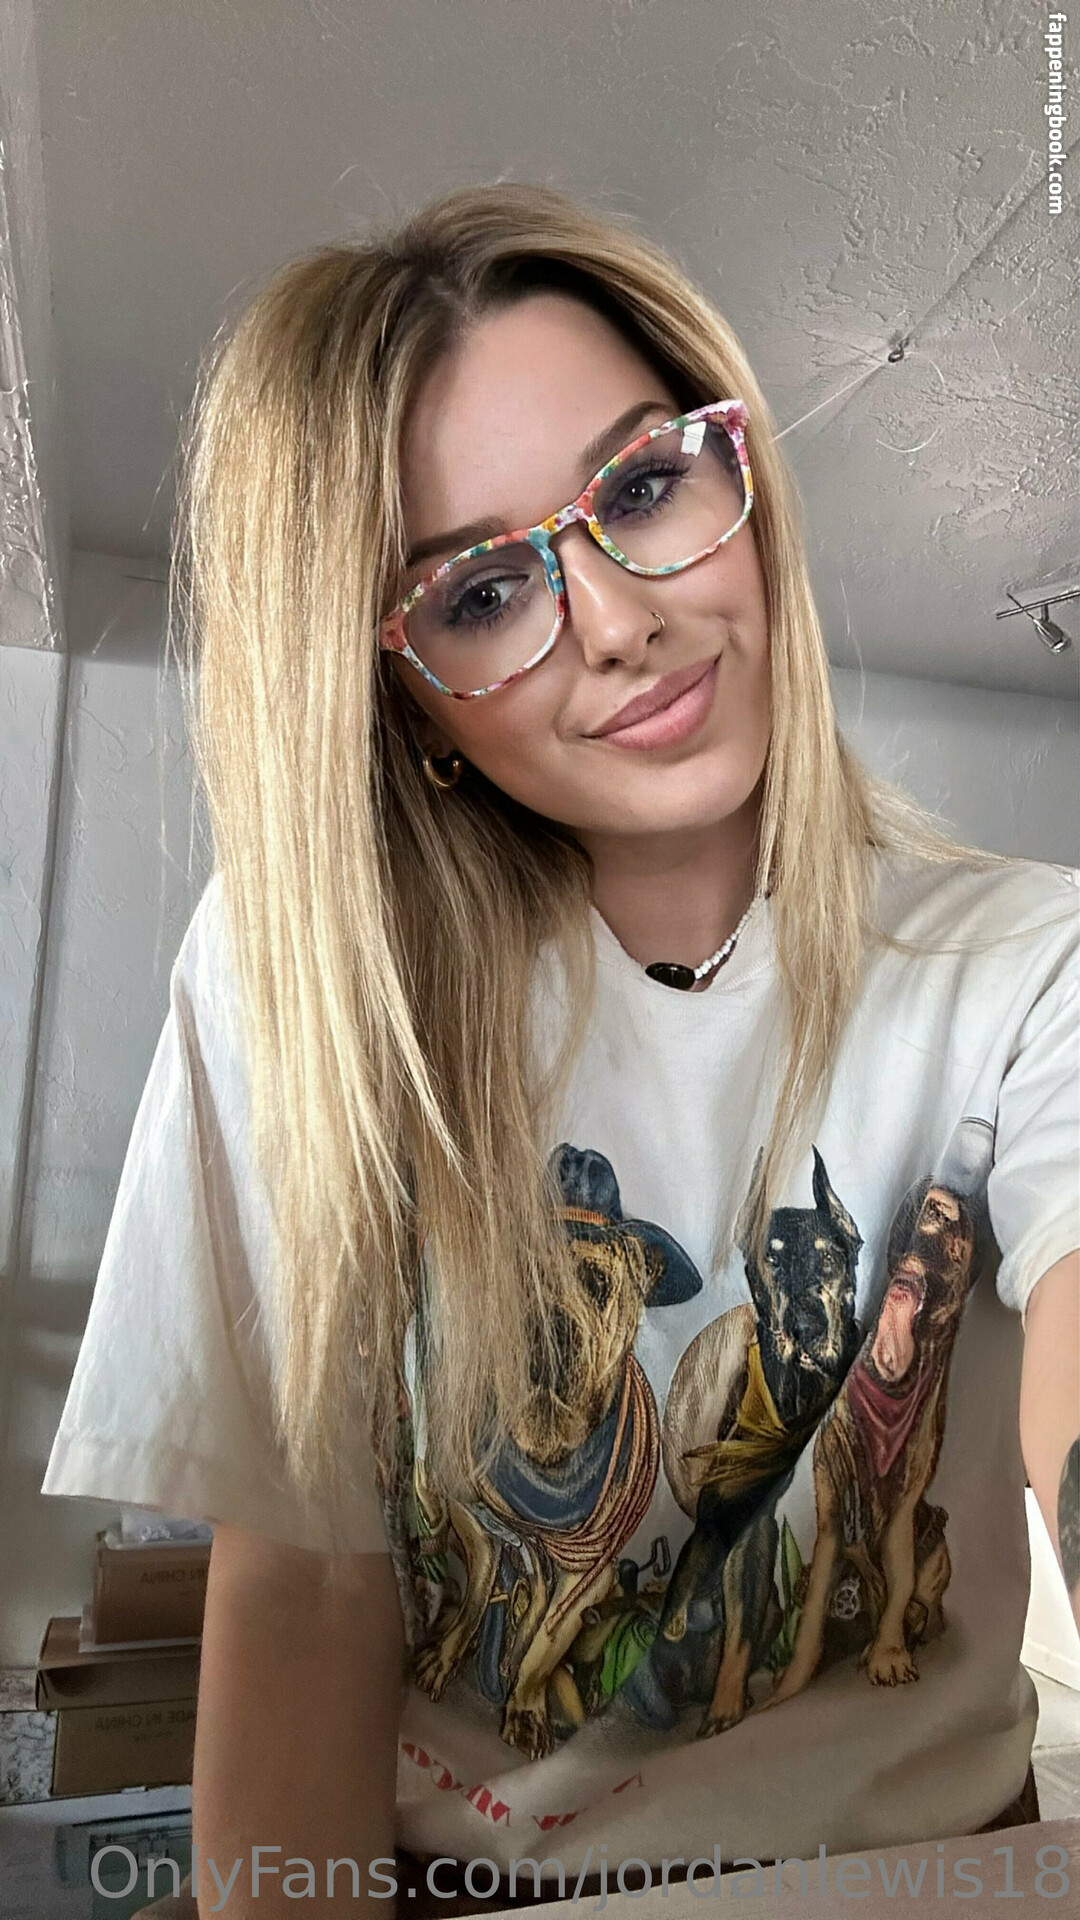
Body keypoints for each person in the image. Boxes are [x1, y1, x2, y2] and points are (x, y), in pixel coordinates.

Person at [42, 183, 1079, 1918]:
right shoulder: (317, 984)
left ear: (743, 484)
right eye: (479, 592)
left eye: (645, 489)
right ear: (407, 701)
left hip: (939, 1880)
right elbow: (303, 1591)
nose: (614, 621)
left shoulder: (1027, 963)